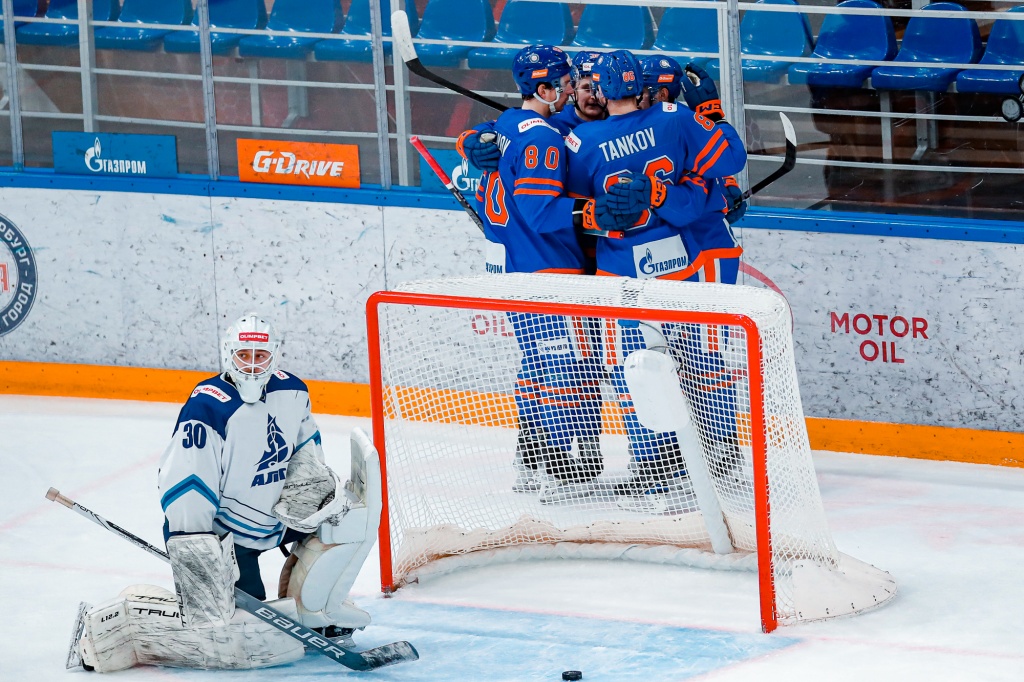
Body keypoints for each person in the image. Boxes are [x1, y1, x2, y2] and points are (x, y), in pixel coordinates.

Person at [70, 312, 381, 672]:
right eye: (243, 356)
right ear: (228, 355)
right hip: (224, 534)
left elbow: (306, 450)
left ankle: (315, 613)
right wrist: (195, 545)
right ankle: (128, 624)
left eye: (260, 356)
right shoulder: (208, 407)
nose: (252, 365)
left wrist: (311, 499)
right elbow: (187, 481)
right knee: (242, 636)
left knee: (347, 523)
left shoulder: (293, 392)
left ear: (274, 355)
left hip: (276, 519)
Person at [564, 50, 748, 511]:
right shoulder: (674, 118)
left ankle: (655, 470)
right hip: (679, 264)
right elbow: (731, 157)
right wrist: (711, 116)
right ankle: (712, 459)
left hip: (622, 272)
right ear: (642, 87)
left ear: (601, 90)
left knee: (634, 371)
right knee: (697, 363)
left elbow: (572, 206)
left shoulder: (583, 140)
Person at [454, 45, 633, 504]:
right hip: (555, 267)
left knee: (555, 363)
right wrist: (471, 140)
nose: (583, 93)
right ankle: (551, 458)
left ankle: (559, 453)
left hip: (552, 265)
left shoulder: (521, 124)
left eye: (593, 85)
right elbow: (537, 206)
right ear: (551, 88)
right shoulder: (550, 133)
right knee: (562, 364)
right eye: (577, 85)